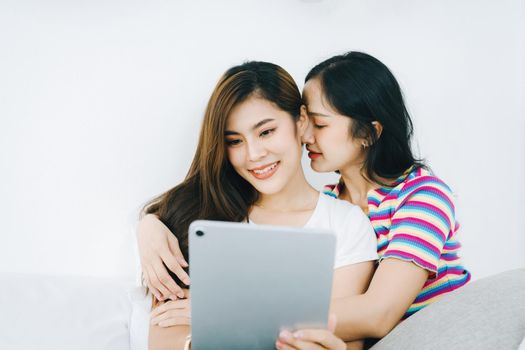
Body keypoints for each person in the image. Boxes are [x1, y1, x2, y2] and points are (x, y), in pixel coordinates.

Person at [139, 52, 471, 348]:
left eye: (320, 124)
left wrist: (225, 312)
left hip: (441, 337)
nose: (307, 134)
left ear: (369, 133)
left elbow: (379, 313)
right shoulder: (333, 200)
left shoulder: (421, 196)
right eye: (305, 119)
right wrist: (150, 223)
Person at [142, 61, 378, 350]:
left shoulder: (347, 224)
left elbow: (344, 343)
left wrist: (223, 317)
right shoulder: (200, 219)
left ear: (301, 120)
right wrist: (149, 222)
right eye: (235, 141)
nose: (254, 154)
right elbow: (164, 336)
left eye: (266, 132)